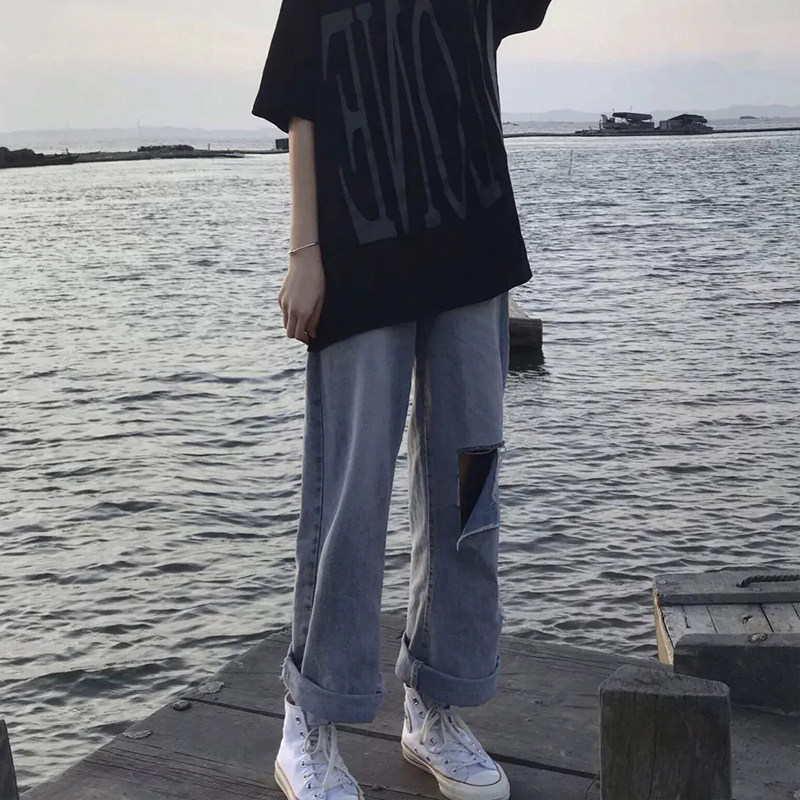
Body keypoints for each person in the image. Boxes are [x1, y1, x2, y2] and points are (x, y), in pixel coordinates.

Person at [252, 1, 553, 798]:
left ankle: (435, 704)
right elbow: (302, 103)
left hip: (472, 251)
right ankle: (308, 720)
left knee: (468, 492)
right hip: (359, 260)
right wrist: (304, 253)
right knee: (348, 499)